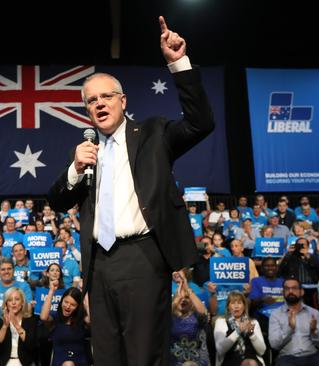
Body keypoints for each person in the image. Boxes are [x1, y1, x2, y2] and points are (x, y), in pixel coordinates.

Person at [47, 16, 214, 366]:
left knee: (143, 355)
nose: (99, 104)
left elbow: (201, 123)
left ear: (122, 101)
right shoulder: (85, 152)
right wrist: (75, 169)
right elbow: (57, 201)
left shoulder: (153, 134)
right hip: (99, 264)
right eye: (91, 100)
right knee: (107, 356)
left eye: (106, 96)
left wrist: (178, 63)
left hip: (143, 258)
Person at [268, 278, 319, 366]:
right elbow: (274, 345)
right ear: (283, 293)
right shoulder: (275, 315)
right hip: (287, 358)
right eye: (287, 288)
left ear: (302, 292)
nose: (290, 291)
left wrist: (314, 332)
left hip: (313, 356)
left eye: (294, 288)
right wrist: (290, 328)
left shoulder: (314, 313)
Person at [40, 284, 90, 366]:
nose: (67, 306)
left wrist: (86, 303)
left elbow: (90, 321)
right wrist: (51, 291)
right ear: (61, 301)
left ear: (78, 307)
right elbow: (43, 317)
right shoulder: (55, 318)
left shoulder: (82, 320)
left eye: (72, 305)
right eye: (66, 302)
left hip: (79, 360)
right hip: (60, 360)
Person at [169, 270, 210, 366]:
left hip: (197, 361)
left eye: (187, 298)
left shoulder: (197, 316)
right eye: (180, 297)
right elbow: (161, 318)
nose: (183, 300)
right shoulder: (170, 318)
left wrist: (187, 288)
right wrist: (178, 297)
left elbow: (203, 312)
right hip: (174, 362)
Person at [214, 291, 266, 366]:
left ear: (244, 306)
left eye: (239, 303)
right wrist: (238, 331)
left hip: (252, 359)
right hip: (230, 360)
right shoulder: (221, 322)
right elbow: (220, 349)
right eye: (233, 303)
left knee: (250, 363)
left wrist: (252, 335)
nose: (236, 306)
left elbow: (262, 351)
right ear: (228, 307)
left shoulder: (253, 322)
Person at [0, 287, 38, 366]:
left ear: (22, 302)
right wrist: (5, 326)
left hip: (25, 363)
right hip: (4, 363)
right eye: (10, 300)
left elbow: (32, 346)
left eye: (17, 299)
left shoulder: (30, 321)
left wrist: (16, 325)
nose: (13, 303)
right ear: (6, 303)